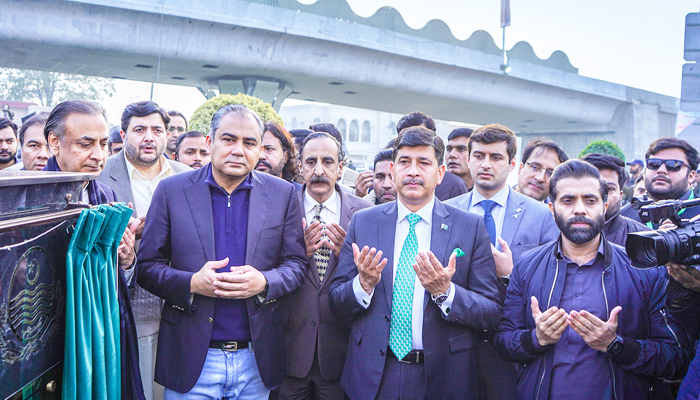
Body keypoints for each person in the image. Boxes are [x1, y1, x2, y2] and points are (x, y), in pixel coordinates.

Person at [137, 104, 308, 398]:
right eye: (229, 140)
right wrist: (192, 283)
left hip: (256, 360)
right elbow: (147, 267)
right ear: (210, 142)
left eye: (250, 143)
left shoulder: (282, 195)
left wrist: (264, 283)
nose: (239, 150)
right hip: (191, 359)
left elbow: (296, 264)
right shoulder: (171, 191)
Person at [329, 126, 502, 400]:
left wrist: (446, 293)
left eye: (423, 163)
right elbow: (336, 302)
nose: (413, 172)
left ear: (440, 173)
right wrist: (362, 285)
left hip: (443, 377)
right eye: (404, 162)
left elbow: (491, 312)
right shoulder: (365, 221)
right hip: (374, 374)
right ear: (393, 169)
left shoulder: (469, 227)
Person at [495, 159, 690, 400]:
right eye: (568, 200)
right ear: (551, 207)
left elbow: (676, 357)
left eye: (590, 200)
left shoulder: (644, 270)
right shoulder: (527, 265)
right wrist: (537, 339)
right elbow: (504, 341)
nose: (579, 209)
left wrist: (615, 345)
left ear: (605, 206)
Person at [446, 123, 558, 400]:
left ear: (512, 164)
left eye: (496, 157)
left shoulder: (541, 215)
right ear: (469, 159)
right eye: (479, 156)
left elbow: (554, 281)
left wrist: (511, 273)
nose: (486, 164)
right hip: (455, 340)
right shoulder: (446, 212)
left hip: (512, 344)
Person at [42, 99, 144, 400]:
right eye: (86, 144)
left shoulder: (106, 195)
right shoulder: (26, 199)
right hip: (52, 341)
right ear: (54, 142)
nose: (98, 156)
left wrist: (126, 259)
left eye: (103, 144)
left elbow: (118, 278)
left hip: (101, 334)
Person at [97, 100, 191, 400]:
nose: (148, 137)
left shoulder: (187, 176)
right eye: (139, 130)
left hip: (183, 306)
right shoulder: (101, 176)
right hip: (128, 305)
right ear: (124, 136)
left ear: (168, 136)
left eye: (156, 130)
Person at [279, 131, 372, 400]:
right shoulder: (281, 207)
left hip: (342, 349)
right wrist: (297, 252)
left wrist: (348, 257)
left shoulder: (365, 214)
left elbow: (374, 277)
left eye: (328, 162)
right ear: (299, 165)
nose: (319, 170)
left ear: (341, 168)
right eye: (311, 162)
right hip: (289, 346)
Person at [620, 137, 700, 226]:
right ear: (645, 171)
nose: (661, 170)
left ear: (691, 176)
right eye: (653, 164)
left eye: (673, 165)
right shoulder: (623, 218)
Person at [396, 111, 469, 201]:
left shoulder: (454, 185)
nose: (413, 172)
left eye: (421, 135)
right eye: (404, 162)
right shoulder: (384, 178)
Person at [580, 153, 649, 247]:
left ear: (620, 195)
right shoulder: (557, 234)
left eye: (608, 189)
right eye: (589, 188)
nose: (598, 196)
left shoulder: (645, 240)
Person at [514, 137, 569, 203]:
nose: (540, 178)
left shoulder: (556, 212)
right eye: (535, 167)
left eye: (550, 174)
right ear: (520, 169)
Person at [255, 121, 299, 186]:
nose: (261, 156)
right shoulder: (239, 193)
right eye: (257, 149)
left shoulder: (298, 194)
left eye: (269, 149)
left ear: (285, 156)